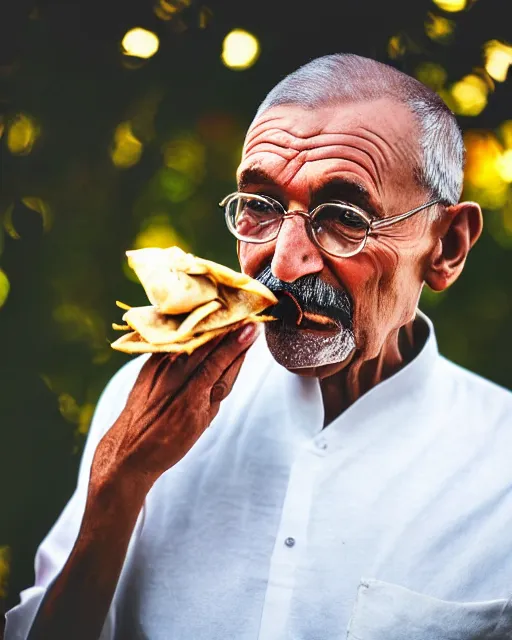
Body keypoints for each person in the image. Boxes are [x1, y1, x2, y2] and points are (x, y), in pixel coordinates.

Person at [5, 53, 512, 640]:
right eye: (261, 207)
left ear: (446, 246)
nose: (283, 260)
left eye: (343, 216)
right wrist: (116, 489)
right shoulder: (149, 405)